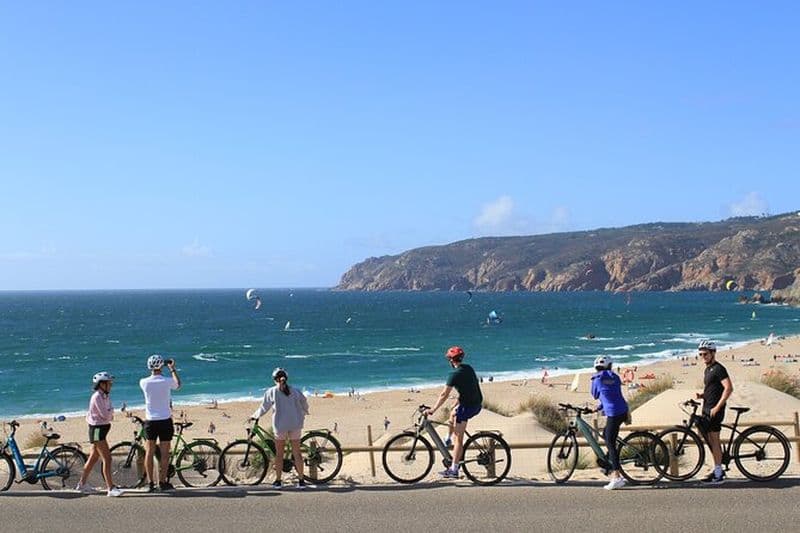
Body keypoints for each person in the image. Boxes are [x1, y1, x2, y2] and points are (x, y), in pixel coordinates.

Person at [425, 346, 483, 479]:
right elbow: (469, 388)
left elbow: (444, 394)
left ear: (451, 360)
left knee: (459, 439)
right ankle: (448, 439)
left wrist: (433, 409)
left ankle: (454, 470)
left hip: (468, 407)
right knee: (452, 413)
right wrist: (457, 401)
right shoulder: (468, 368)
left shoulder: (454, 375)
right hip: (474, 403)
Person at [251, 367, 310, 489]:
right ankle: (301, 481)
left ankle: (278, 481)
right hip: (295, 424)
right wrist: (304, 412)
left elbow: (264, 408)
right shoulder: (295, 391)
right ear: (286, 378)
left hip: (280, 425)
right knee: (297, 453)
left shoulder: (271, 392)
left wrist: (254, 416)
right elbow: (304, 402)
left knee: (279, 454)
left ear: (274, 379)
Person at [76, 372, 122, 497]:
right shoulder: (97, 397)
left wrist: (110, 412)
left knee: (93, 458)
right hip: (97, 430)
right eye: (109, 383)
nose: (111, 385)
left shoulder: (105, 396)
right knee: (107, 458)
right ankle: (110, 488)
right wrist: (110, 412)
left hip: (102, 429)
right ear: (102, 384)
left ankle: (82, 484)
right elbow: (106, 415)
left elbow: (110, 412)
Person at [139, 354, 181, 492]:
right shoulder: (167, 381)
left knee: (149, 452)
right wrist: (172, 369)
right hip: (165, 420)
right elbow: (178, 385)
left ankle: (150, 483)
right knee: (164, 453)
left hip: (151, 421)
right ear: (161, 366)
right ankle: (162, 482)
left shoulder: (143, 382)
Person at [695, 339, 733, 484]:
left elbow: (728, 388)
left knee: (714, 440)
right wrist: (702, 395)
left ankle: (718, 473)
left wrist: (718, 406)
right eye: (701, 354)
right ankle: (717, 467)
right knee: (709, 439)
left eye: (705, 354)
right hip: (706, 408)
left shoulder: (718, 369)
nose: (703, 357)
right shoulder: (707, 369)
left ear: (713, 353)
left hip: (715, 410)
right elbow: (713, 389)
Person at [590, 356, 629, 490]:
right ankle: (607, 464)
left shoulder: (596, 379)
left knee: (610, 443)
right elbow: (613, 395)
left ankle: (617, 477)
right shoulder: (615, 377)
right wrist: (600, 407)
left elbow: (595, 395)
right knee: (606, 434)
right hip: (622, 410)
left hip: (613, 413)